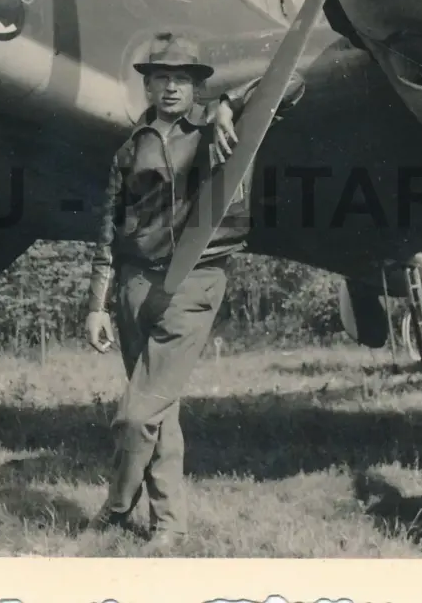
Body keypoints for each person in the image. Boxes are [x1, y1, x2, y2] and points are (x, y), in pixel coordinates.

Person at [82, 30, 303, 552]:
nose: (172, 88)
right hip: (135, 287)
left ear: (196, 85)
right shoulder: (129, 149)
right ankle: (169, 525)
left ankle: (116, 506)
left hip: (194, 284)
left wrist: (227, 104)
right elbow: (108, 233)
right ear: (149, 86)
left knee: (135, 415)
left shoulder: (218, 127)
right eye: (162, 78)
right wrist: (96, 305)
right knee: (160, 412)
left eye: (183, 79)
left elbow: (292, 80)